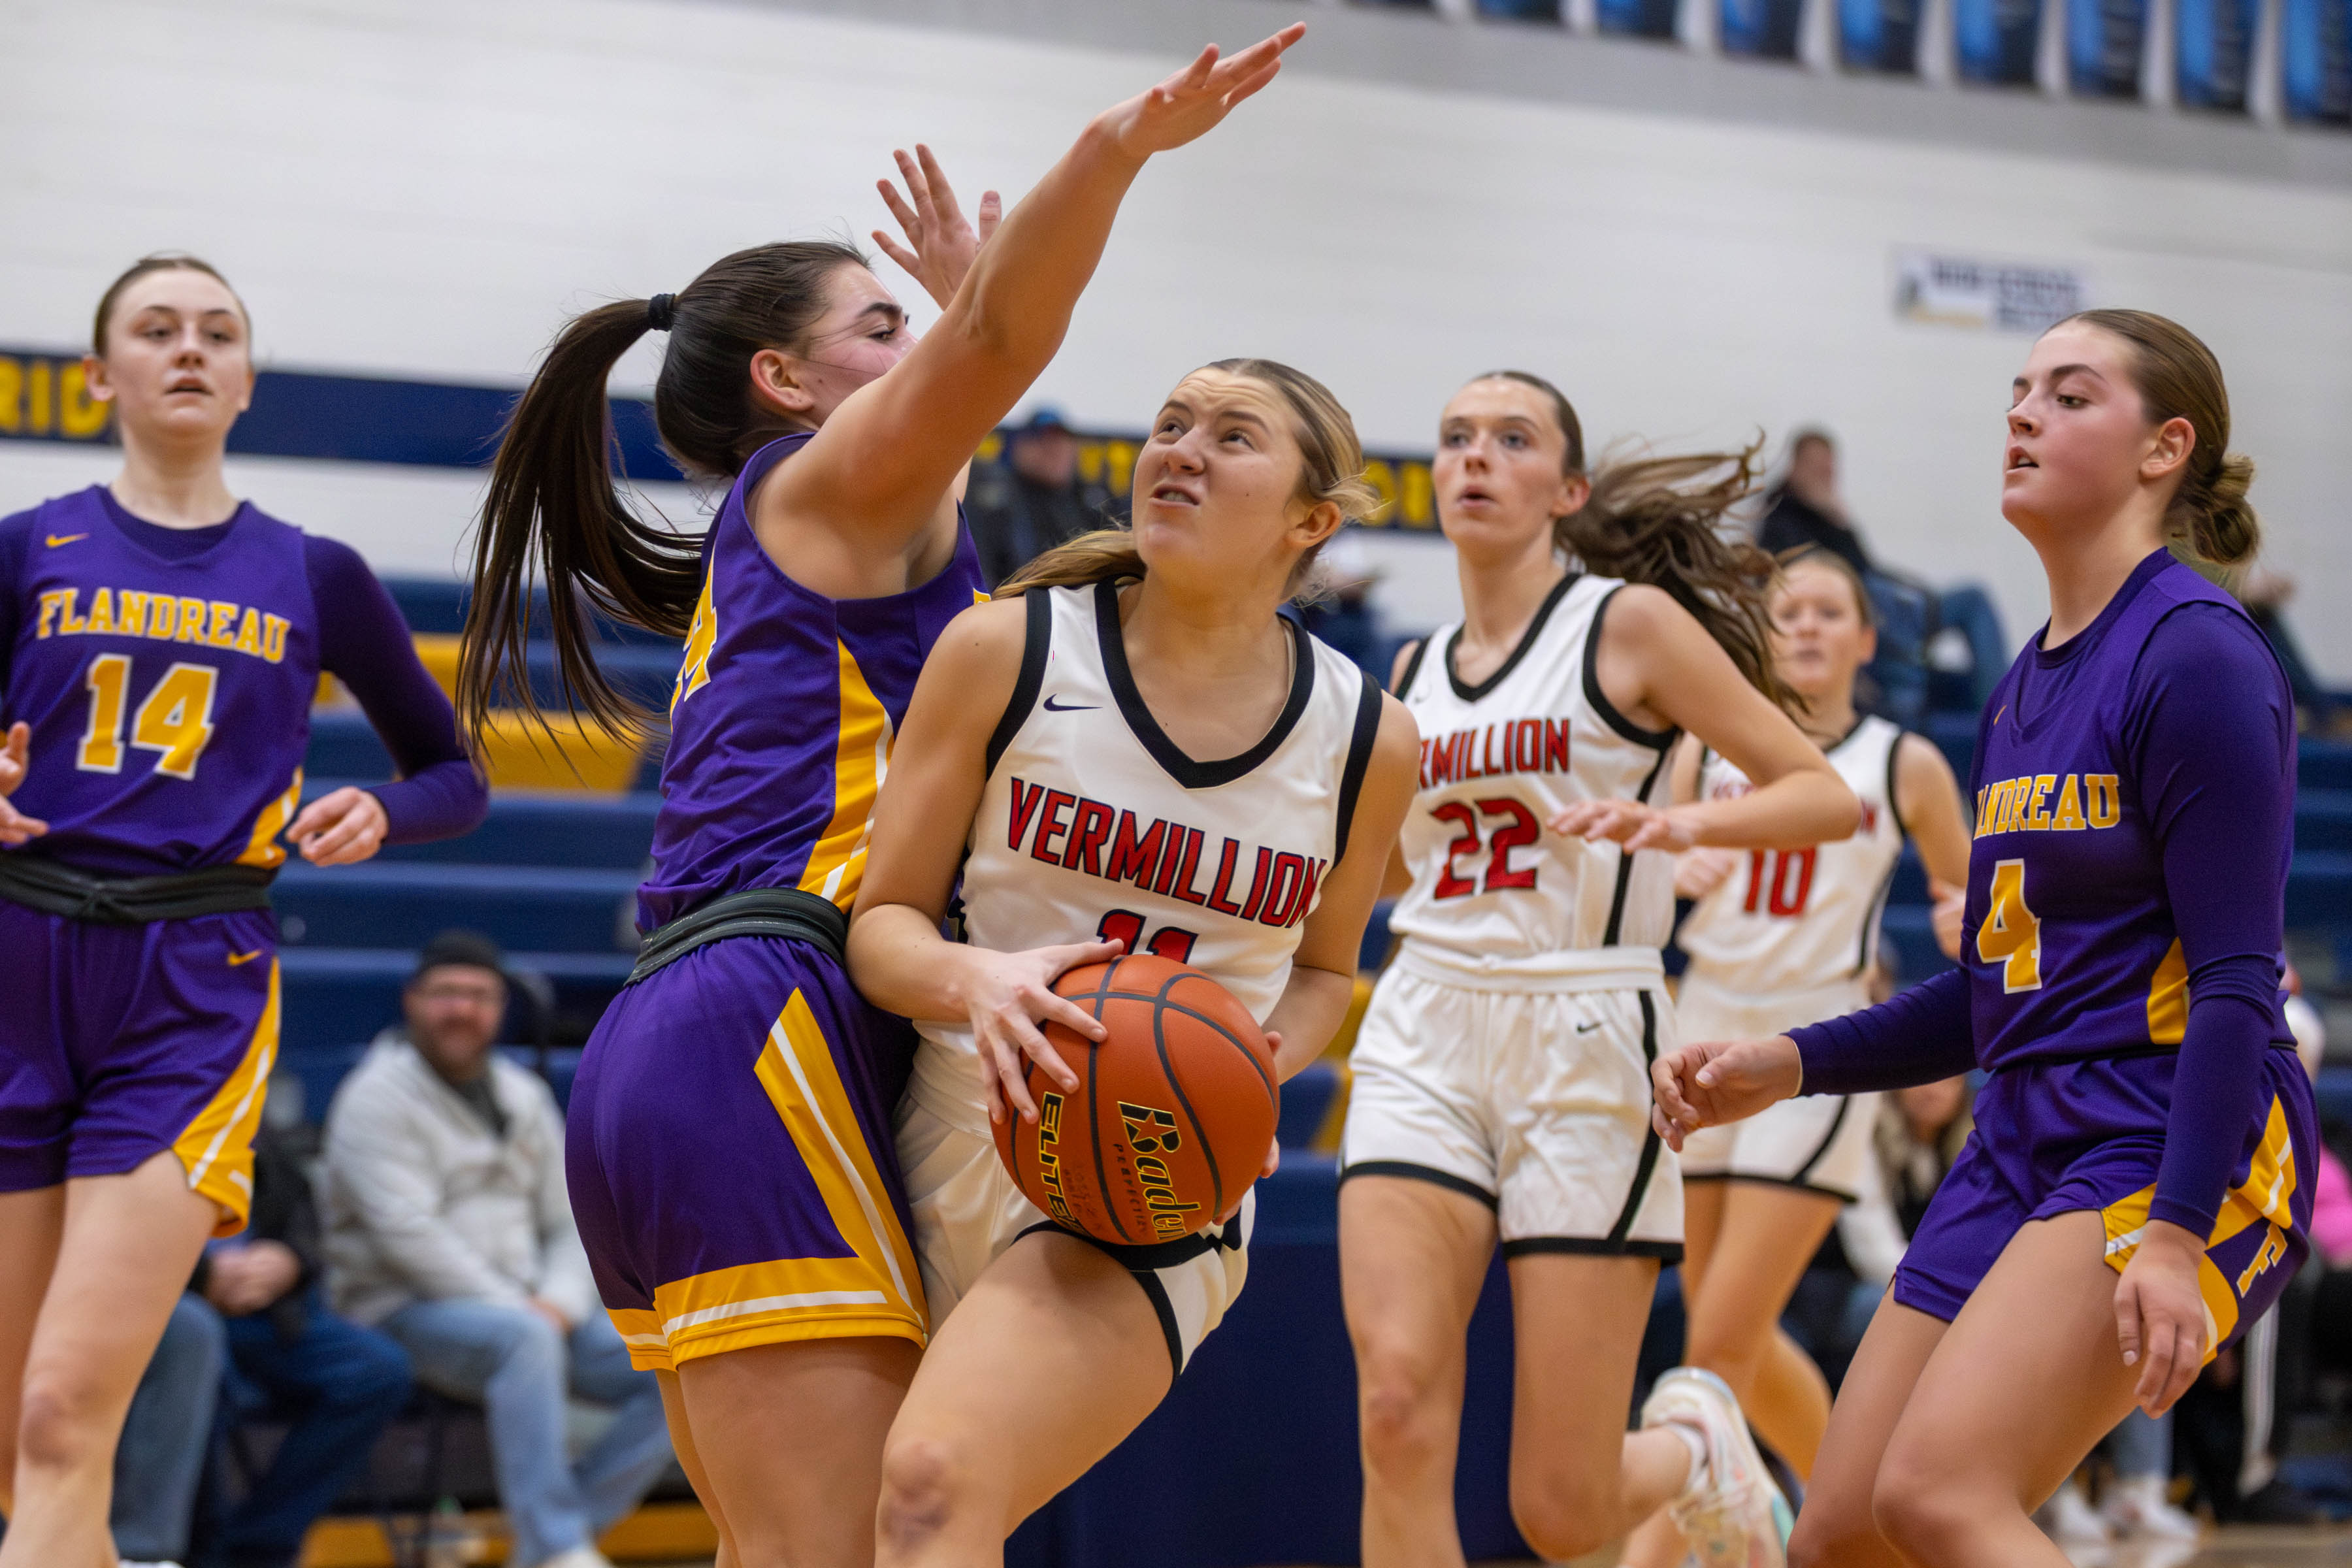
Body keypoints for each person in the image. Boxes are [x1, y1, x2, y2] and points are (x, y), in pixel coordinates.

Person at [457, 29, 1306, 1568]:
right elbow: (1002, 344)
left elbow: (981, 362)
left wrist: (973, 307)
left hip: (695, 1031)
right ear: (785, 383)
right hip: (764, 1021)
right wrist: (1116, 146)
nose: (917, 341)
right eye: (880, 324)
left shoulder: (834, 527)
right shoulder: (829, 487)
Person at [1652, 308, 2319, 1568]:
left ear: (2164, 448)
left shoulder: (2198, 654)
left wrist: (2177, 1232)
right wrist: (1788, 1063)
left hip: (2165, 1127)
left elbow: (2240, 983)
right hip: (2020, 1129)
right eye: (2020, 390)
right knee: (1842, 1532)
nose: (2021, 413)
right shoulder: (2021, 686)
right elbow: (1999, 991)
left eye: (2069, 395)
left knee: (1941, 1495)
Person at [848, 358, 1418, 1565]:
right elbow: (884, 923)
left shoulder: (1368, 734)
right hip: (942, 1125)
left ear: (1312, 521)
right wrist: (980, 982)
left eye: (1232, 436)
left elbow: (1326, 974)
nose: (1182, 450)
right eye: (1170, 424)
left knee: (936, 1485)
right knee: (835, 1538)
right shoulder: (1006, 649)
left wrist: (1250, 1071)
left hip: (1146, 1177)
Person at [0, 253, 486, 1568]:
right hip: (18, 964)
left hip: (189, 985)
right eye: (156, 329)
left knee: (59, 1415)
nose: (189, 349)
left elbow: (454, 774)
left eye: (218, 332)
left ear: (249, 380)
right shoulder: (25, 547)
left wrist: (384, 809)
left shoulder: (313, 571)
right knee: (23, 1450)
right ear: (98, 375)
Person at [1335, 370, 1859, 1568]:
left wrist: (1685, 826)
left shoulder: (1626, 625)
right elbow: (1385, 874)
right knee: (1395, 1410)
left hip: (1583, 1026)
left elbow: (1820, 795)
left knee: (1561, 1511)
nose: (1475, 456)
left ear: (1567, 490)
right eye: (1457, 437)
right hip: (1422, 1026)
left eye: (1511, 438)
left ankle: (1699, 1448)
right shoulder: (1410, 671)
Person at [1619, 546, 1972, 1566]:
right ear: (1761, 639)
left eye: (1827, 612)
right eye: (1788, 613)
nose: (1807, 627)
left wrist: (1963, 924)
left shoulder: (1903, 762)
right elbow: (1640, 878)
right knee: (1733, 1330)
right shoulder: (1704, 746)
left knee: (1717, 1344)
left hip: (1819, 1049)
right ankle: (1852, 1535)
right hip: (1701, 1028)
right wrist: (1671, 871)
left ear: (1866, 639)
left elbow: (1975, 906)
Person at [323, 932, 671, 1568]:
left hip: (533, 1311)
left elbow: (572, 1216)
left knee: (673, 1357)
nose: (462, 1009)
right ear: (411, 1000)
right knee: (524, 1341)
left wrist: (560, 1302)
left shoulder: (521, 1092)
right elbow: (406, 1235)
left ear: (501, 1007)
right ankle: (555, 1545)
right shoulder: (372, 1096)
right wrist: (523, 1311)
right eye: (446, 993)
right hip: (400, 1310)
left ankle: (562, 1534)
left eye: (479, 995)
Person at [962, 407, 1115, 589]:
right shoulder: (996, 502)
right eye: (1044, 441)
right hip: (1016, 599)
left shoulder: (1091, 499)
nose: (1056, 450)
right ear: (1020, 447)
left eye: (1062, 441)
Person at [1756, 431, 1869, 575]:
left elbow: (1864, 566)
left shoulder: (1824, 516)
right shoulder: (1780, 516)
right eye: (1816, 469)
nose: (1822, 480)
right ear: (1796, 468)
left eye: (1827, 472)